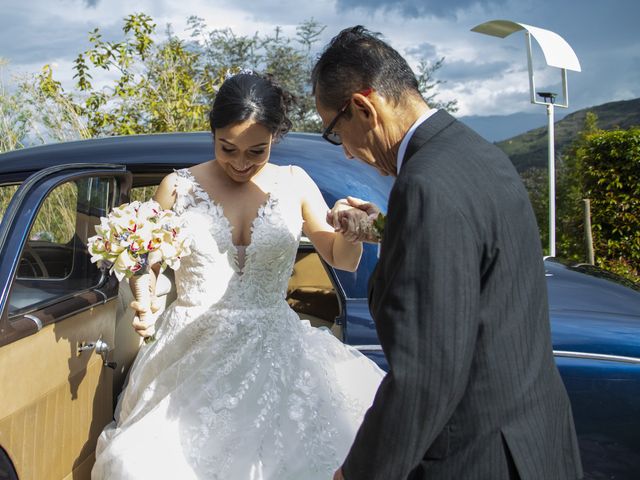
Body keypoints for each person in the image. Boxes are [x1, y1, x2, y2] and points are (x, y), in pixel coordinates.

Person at [312, 26, 583, 480]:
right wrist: (382, 225)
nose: (347, 155)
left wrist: (358, 474)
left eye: (336, 133)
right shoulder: (476, 152)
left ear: (363, 107)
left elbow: (427, 372)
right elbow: (468, 245)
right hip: (536, 440)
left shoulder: (424, 186)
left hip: (478, 455)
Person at [91, 72, 384, 479]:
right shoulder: (177, 187)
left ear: (275, 139)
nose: (241, 163)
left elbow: (340, 257)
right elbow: (146, 258)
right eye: (227, 148)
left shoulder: (295, 182)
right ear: (213, 132)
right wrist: (144, 294)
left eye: (256, 151)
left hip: (278, 350)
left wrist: (353, 232)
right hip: (192, 351)